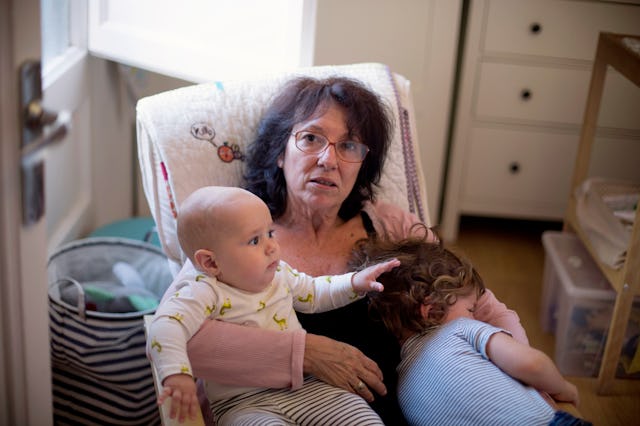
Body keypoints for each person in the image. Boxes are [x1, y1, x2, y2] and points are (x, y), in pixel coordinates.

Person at [164, 75, 529, 424]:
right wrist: (306, 353)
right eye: (311, 138)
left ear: (362, 164)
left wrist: (530, 383)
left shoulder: (392, 227)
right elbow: (187, 343)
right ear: (279, 152)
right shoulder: (238, 239)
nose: (329, 160)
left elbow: (483, 306)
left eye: (349, 145)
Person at [148, 185, 400, 424]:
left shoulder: (279, 273)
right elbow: (164, 327)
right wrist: (176, 375)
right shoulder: (203, 291)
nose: (271, 247)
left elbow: (315, 291)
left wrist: (355, 282)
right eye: (255, 241)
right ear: (211, 263)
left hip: (306, 388)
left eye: (270, 233)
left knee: (362, 418)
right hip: (242, 405)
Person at [358, 234, 591, 426]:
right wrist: (564, 389)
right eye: (470, 308)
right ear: (433, 311)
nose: (475, 315)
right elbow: (533, 365)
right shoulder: (460, 329)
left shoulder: (404, 392)